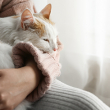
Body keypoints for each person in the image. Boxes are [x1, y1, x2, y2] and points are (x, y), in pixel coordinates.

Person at [0, 0, 110, 110]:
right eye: (45, 40)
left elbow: (55, 50)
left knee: (89, 104)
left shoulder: (22, 12)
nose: (55, 48)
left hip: (34, 75)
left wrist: (32, 75)